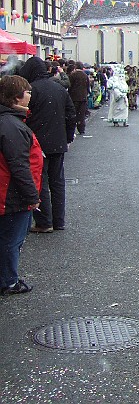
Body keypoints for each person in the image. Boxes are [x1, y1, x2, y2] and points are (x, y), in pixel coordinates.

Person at [17, 56, 76, 233]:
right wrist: (67, 136)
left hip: (37, 143)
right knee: (57, 182)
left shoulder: (31, 91)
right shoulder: (59, 88)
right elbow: (71, 114)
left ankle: (44, 221)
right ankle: (59, 220)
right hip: (58, 142)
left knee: (40, 182)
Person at [0, 75, 44, 295]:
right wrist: (31, 196)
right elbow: (19, 165)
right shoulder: (11, 125)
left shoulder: (11, 122)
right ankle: (8, 280)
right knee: (12, 239)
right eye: (27, 92)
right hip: (11, 194)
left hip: (9, 192)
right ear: (16, 98)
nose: (30, 95)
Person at [68, 62, 90, 137]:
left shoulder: (72, 75)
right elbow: (87, 86)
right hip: (83, 97)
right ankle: (81, 129)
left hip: (74, 97)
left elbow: (69, 86)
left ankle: (72, 129)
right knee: (81, 114)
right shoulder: (85, 75)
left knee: (73, 114)